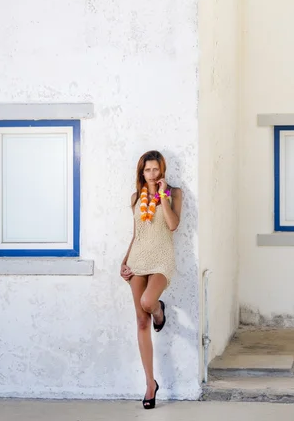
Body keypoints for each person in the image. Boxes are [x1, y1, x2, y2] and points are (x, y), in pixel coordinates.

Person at [120, 150, 182, 409]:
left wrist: (164, 197)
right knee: (140, 321)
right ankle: (149, 384)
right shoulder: (136, 198)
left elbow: (173, 225)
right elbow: (137, 234)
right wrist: (124, 262)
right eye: (148, 170)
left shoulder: (174, 194)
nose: (152, 174)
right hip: (138, 259)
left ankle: (159, 310)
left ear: (162, 171)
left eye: (156, 169)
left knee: (148, 302)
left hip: (161, 260)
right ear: (141, 172)